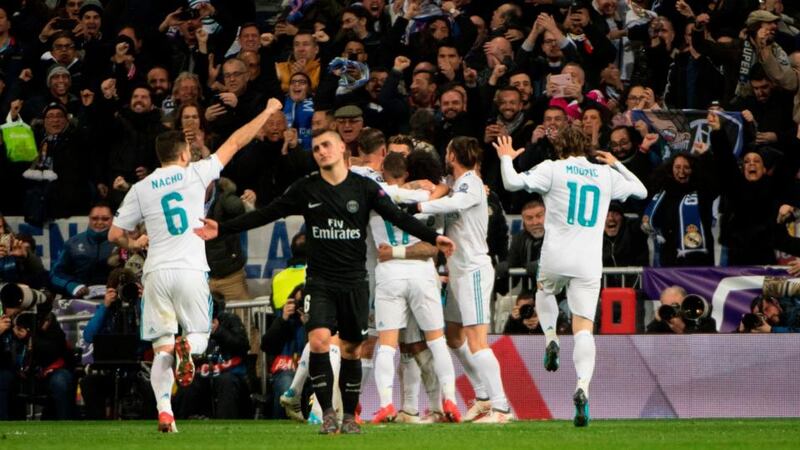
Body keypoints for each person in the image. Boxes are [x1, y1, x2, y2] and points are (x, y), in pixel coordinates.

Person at [194, 128, 455, 434]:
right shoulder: (307, 188)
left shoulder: (365, 188)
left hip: (355, 281)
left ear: (343, 148)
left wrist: (435, 237)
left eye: (326, 145)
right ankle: (328, 413)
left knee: (352, 350)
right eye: (316, 147)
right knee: (319, 342)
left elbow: (399, 217)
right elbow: (268, 213)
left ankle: (348, 417)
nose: (321, 151)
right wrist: (223, 228)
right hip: (320, 281)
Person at [108, 98, 284, 433]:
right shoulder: (195, 173)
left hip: (157, 271)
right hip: (190, 269)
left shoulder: (141, 189)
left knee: (160, 349)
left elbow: (115, 233)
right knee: (200, 333)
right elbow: (235, 141)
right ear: (185, 154)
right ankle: (188, 347)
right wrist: (266, 111)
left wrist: (134, 243)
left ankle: (165, 412)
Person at [494, 127, 647, 427]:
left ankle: (551, 338)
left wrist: (505, 158)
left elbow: (511, 183)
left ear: (559, 146)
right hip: (589, 261)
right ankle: (582, 388)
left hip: (556, 255)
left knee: (543, 291)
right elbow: (641, 191)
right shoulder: (604, 174)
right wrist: (617, 163)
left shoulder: (553, 168)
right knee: (584, 329)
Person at [413, 136, 511, 424]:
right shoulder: (455, 182)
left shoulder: (470, 182)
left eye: (447, 150)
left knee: (478, 341)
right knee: (455, 336)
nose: (445, 155)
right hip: (458, 271)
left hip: (474, 270)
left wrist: (421, 207)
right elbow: (446, 188)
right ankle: (482, 398)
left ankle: (501, 408)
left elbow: (457, 200)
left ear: (453, 155)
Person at [370, 151, 460, 424]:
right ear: (407, 173)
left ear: (382, 172)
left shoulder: (373, 193)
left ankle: (385, 404)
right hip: (422, 273)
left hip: (389, 274)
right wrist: (426, 187)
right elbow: (447, 189)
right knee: (437, 341)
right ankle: (450, 400)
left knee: (386, 345)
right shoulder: (424, 197)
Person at [50, 203, 114, 298]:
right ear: (89, 219)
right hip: (77, 301)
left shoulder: (121, 243)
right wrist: (71, 285)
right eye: (94, 218)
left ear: (113, 219)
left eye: (105, 219)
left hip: (113, 300)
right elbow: (55, 274)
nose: (99, 222)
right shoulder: (72, 243)